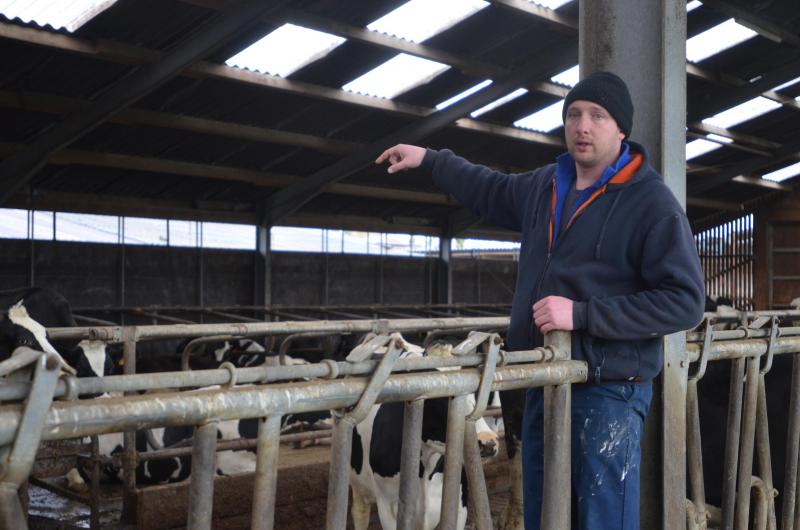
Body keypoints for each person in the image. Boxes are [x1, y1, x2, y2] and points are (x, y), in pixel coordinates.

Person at [375, 71, 705, 530]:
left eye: (597, 116)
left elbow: (685, 301)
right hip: (543, 382)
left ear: (621, 129)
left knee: (599, 520)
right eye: (573, 114)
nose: (582, 126)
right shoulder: (546, 185)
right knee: (545, 515)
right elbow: (488, 188)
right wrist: (430, 160)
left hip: (606, 388)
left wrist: (584, 315)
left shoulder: (651, 203)